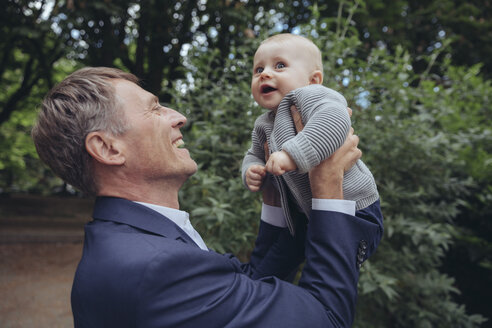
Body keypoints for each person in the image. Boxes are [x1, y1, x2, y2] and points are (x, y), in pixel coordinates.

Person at [31, 67, 383, 327]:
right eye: (155, 109)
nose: (178, 117)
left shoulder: (136, 241)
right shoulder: (154, 268)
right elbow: (326, 318)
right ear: (108, 148)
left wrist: (277, 204)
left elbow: (242, 290)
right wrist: (327, 188)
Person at [242, 33, 381, 235]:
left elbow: (335, 119)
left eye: (280, 65)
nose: (265, 74)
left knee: (336, 257)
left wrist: (291, 155)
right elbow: (254, 153)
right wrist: (252, 169)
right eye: (259, 69)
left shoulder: (309, 96)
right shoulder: (264, 123)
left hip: (354, 208)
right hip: (306, 213)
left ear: (313, 80)